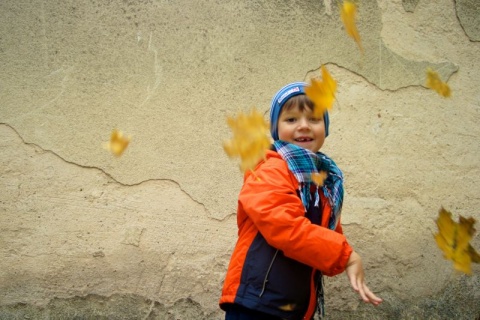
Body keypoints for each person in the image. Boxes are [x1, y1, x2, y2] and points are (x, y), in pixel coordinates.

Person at [219, 82, 383, 320]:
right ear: (276, 129)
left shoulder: (323, 183)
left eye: (314, 119)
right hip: (256, 304)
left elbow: (327, 234)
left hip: (291, 307)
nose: (303, 126)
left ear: (325, 128)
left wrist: (342, 255)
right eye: (292, 119)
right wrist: (345, 256)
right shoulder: (270, 169)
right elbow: (286, 227)